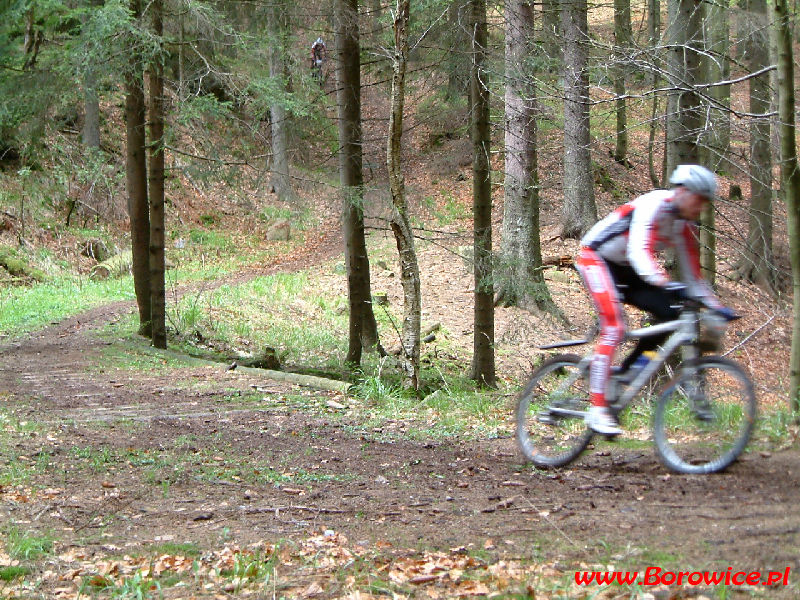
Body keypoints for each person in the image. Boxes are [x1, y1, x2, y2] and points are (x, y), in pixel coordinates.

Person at [575, 164, 738, 436]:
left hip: (629, 270)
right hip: (597, 258)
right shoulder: (653, 205)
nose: (702, 208)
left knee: (673, 315)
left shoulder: (684, 227)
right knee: (614, 328)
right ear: (683, 192)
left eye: (705, 203)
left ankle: (625, 373)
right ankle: (597, 408)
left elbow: (694, 278)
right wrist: (666, 282)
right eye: (699, 200)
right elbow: (640, 252)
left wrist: (716, 306)